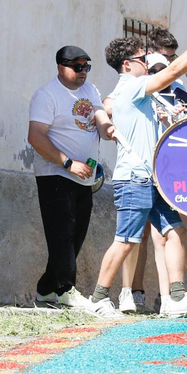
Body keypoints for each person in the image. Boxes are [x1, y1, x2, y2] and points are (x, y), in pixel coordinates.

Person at [87, 26, 187, 318]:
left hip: (149, 178)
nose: (146, 61)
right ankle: (98, 298)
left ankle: (175, 297)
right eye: (141, 58)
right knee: (126, 241)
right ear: (127, 65)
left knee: (176, 230)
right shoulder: (132, 86)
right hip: (134, 179)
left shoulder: (136, 90)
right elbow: (172, 72)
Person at [28, 44, 116, 310]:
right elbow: (35, 137)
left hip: (84, 176)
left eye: (86, 67)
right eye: (77, 67)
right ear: (61, 67)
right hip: (56, 174)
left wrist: (106, 127)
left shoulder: (90, 90)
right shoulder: (47, 95)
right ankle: (66, 289)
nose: (83, 72)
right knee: (62, 235)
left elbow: (99, 115)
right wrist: (67, 163)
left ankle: (46, 289)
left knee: (76, 235)